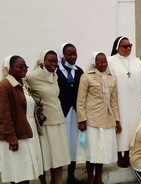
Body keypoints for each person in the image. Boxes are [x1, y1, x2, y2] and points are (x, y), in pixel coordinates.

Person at [26, 50, 70, 184]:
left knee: (59, 158)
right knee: (45, 158)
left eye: (55, 61)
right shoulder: (32, 77)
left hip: (58, 121)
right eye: (50, 61)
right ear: (42, 61)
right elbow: (25, 94)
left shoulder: (55, 75)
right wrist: (34, 107)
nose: (53, 64)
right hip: (44, 125)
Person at [76, 52, 121, 184]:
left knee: (103, 150)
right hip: (92, 119)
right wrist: (81, 120)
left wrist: (117, 120)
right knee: (92, 150)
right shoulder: (86, 77)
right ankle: (90, 178)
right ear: (94, 63)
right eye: (100, 62)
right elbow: (80, 100)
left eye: (105, 62)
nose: (103, 64)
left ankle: (98, 178)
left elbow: (114, 101)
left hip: (107, 119)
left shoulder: (111, 78)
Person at [108, 36, 141, 168]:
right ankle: (118, 155)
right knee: (121, 128)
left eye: (130, 46)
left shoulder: (137, 61)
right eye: (125, 46)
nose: (128, 48)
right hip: (119, 101)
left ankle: (129, 154)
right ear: (117, 48)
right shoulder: (110, 61)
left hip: (134, 102)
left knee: (134, 127)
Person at [0, 55, 43, 184]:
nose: (24, 69)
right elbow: (4, 115)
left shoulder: (23, 84)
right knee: (20, 172)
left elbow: (24, 106)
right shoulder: (5, 86)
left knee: (26, 171)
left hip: (28, 130)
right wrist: (11, 137)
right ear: (9, 69)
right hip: (17, 134)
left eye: (25, 67)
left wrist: (36, 109)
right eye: (20, 67)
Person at [56, 43, 84, 183]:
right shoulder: (55, 71)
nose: (73, 57)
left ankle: (71, 176)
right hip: (60, 114)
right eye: (69, 54)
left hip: (74, 113)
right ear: (63, 54)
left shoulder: (79, 71)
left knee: (72, 144)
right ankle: (57, 178)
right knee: (60, 145)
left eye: (75, 54)